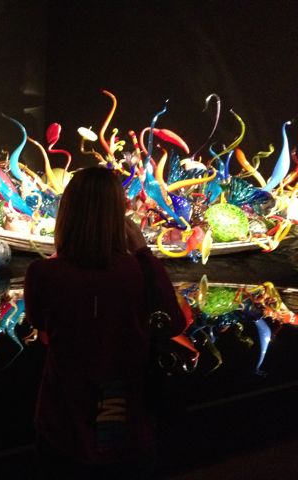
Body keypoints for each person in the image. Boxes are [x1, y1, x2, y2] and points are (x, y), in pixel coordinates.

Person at [24, 167, 187, 480]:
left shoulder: (42, 274)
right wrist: (143, 252)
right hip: (127, 413)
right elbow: (173, 325)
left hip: (64, 416)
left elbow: (41, 328)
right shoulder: (142, 271)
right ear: (119, 217)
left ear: (67, 213)